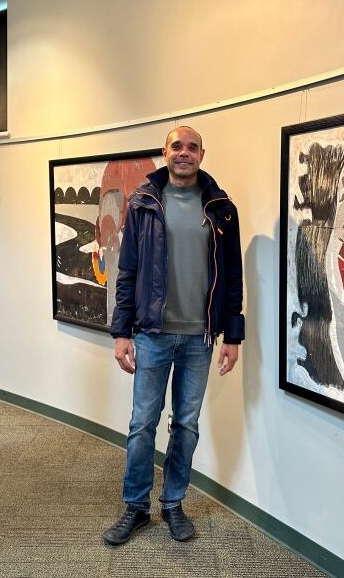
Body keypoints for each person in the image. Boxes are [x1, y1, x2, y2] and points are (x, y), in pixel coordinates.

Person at [103, 126, 244, 545]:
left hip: (199, 339)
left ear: (202, 153)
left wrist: (232, 335)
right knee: (142, 423)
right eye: (177, 146)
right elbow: (127, 272)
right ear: (165, 152)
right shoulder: (144, 203)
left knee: (186, 424)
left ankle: (173, 504)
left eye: (192, 147)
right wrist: (121, 332)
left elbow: (232, 276)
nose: (184, 153)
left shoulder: (220, 208)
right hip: (151, 334)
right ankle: (136, 507)